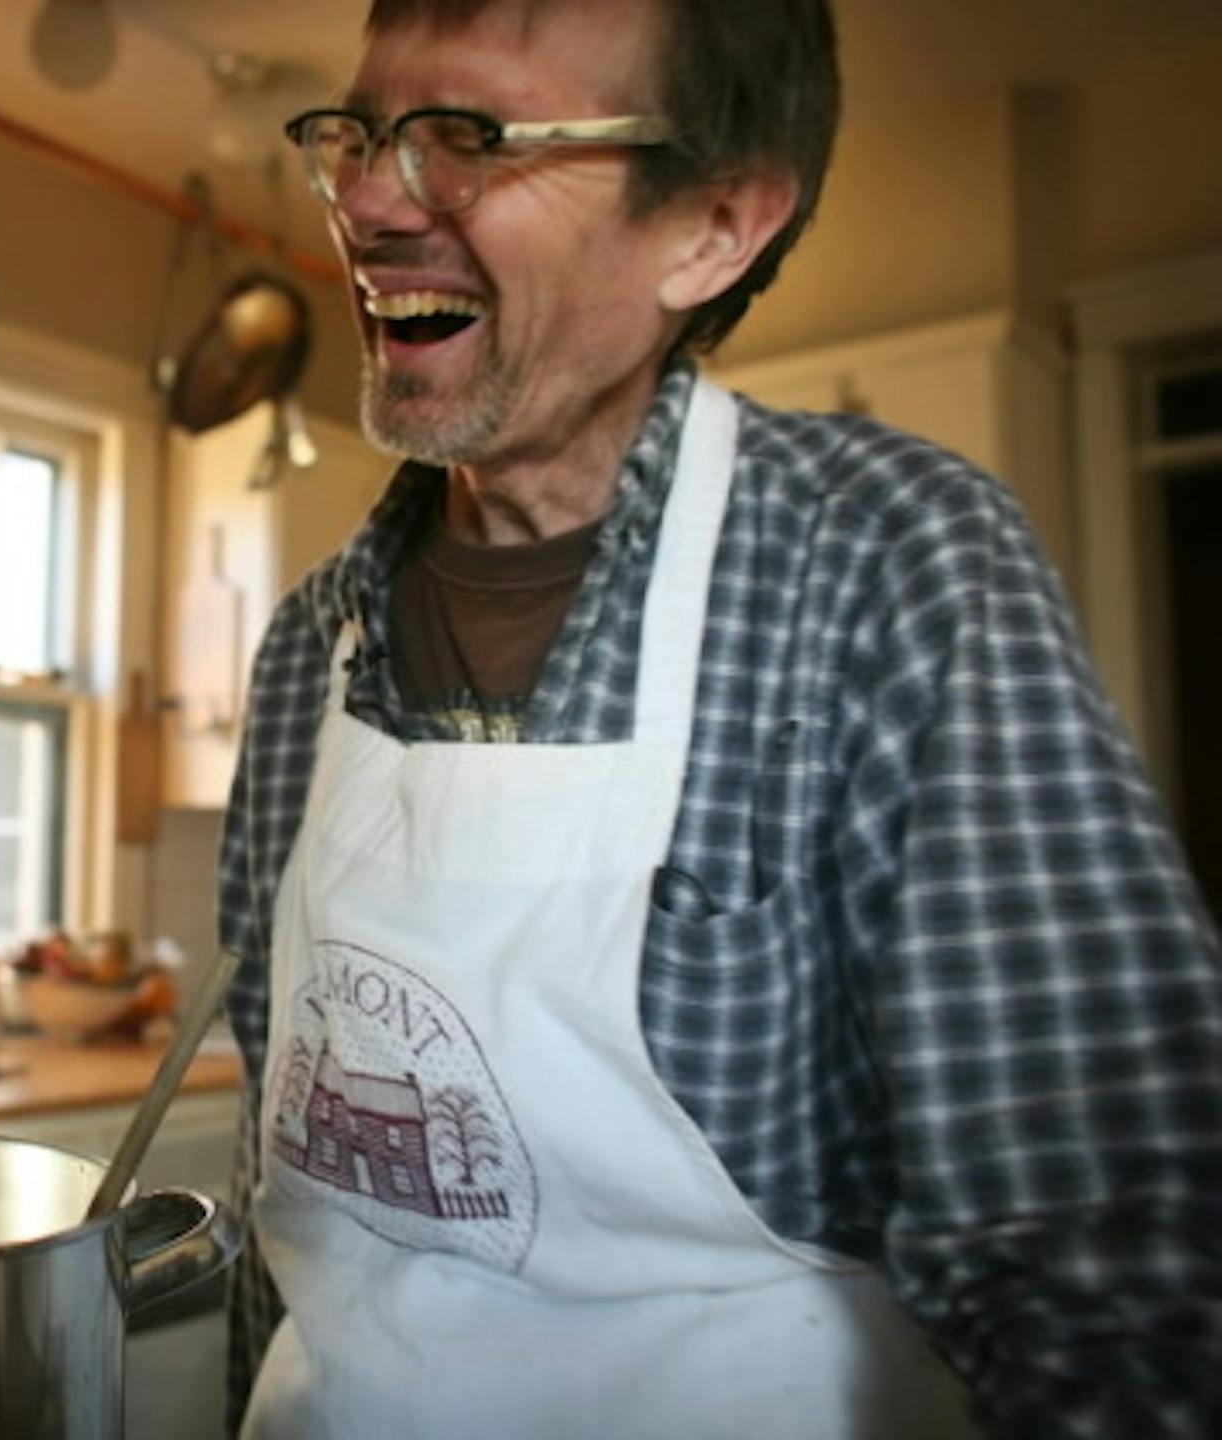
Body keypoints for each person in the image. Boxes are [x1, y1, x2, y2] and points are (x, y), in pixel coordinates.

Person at [217, 1, 1222, 1436]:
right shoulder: (307, 646)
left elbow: (1103, 1270)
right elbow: (296, 1220)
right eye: (363, 134)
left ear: (712, 225)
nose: (374, 199)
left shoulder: (886, 569)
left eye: (469, 139)